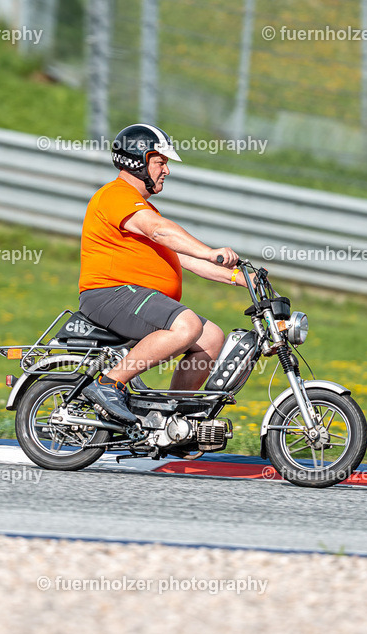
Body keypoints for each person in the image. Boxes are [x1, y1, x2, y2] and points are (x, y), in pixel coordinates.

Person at [78, 123, 248, 425]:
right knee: (187, 324)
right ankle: (109, 383)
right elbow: (158, 231)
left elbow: (185, 258)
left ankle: (173, 420)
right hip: (111, 294)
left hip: (134, 297)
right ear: (137, 162)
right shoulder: (117, 196)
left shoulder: (142, 208)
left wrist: (239, 278)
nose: (166, 170)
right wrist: (209, 250)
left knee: (211, 338)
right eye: (160, 162)